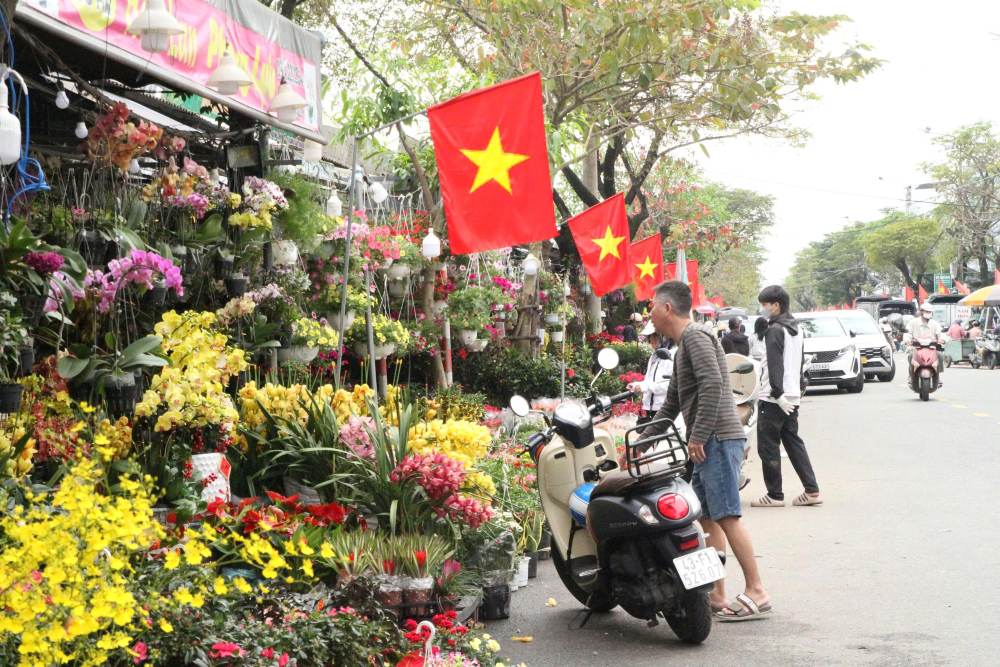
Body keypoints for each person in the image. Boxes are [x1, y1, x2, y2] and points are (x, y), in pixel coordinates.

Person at [642, 281, 771, 621]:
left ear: (668, 308)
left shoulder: (696, 337)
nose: (650, 314)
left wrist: (697, 436)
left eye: (653, 306)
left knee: (727, 515)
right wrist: (642, 443)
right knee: (705, 518)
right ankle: (716, 593)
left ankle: (757, 589)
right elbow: (671, 404)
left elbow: (714, 383)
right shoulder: (683, 345)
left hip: (716, 440)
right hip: (707, 442)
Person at [752, 285, 822, 509]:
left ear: (776, 305)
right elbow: (800, 361)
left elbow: (774, 364)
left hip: (775, 397)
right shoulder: (797, 328)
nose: (762, 309)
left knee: (768, 446)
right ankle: (812, 490)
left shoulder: (775, 330)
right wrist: (797, 390)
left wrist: (776, 392)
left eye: (765, 305)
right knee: (793, 443)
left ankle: (774, 495)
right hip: (792, 395)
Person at [629, 321, 674, 425]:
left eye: (655, 336)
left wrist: (647, 387)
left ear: (664, 336)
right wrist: (638, 385)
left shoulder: (672, 356)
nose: (651, 340)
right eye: (650, 337)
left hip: (664, 408)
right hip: (650, 408)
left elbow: (671, 384)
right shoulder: (654, 356)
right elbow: (648, 380)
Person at [905, 302, 945, 380]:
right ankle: (911, 375)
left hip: (931, 348)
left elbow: (941, 333)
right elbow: (907, 333)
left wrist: (942, 339)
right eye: (926, 311)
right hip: (916, 348)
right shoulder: (913, 322)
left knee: (939, 355)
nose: (928, 313)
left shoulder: (935, 323)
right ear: (921, 311)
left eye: (930, 312)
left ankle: (938, 376)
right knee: (910, 356)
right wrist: (907, 340)